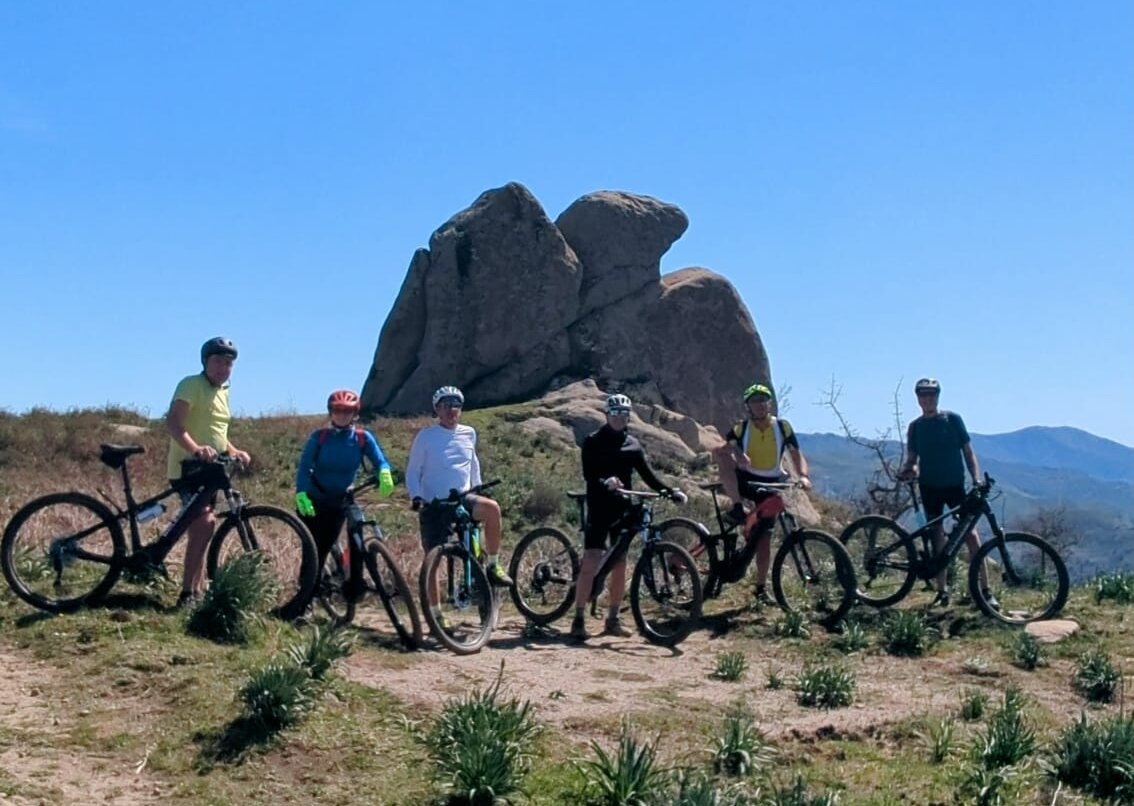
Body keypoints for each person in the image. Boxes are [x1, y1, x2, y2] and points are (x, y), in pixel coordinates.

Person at [570, 393, 688, 641]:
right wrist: (607, 482)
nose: (619, 419)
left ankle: (612, 619)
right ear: (607, 414)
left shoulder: (633, 445)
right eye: (615, 414)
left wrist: (669, 491)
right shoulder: (593, 441)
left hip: (622, 507)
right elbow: (590, 475)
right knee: (592, 559)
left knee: (620, 562)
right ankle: (578, 618)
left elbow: (648, 475)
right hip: (600, 506)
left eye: (624, 415)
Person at [406, 385, 514, 621]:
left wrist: (479, 486)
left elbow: (472, 464)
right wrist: (416, 497)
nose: (452, 411)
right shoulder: (426, 437)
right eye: (446, 406)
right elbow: (413, 472)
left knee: (492, 509)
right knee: (432, 561)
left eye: (456, 406)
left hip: (463, 498)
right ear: (437, 409)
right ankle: (436, 615)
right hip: (434, 505)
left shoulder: (469, 433)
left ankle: (494, 565)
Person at [165, 337, 251, 608]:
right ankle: (188, 595)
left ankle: (198, 590)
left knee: (202, 529)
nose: (222, 368)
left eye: (228, 363)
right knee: (204, 524)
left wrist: (234, 451)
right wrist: (195, 448)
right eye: (217, 361)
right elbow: (174, 422)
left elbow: (218, 435)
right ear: (205, 362)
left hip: (211, 472)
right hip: (188, 469)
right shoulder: (192, 385)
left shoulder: (223, 393)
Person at [897, 377, 995, 608]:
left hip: (955, 486)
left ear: (938, 397)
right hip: (929, 487)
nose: (928, 399)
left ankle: (985, 589)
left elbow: (968, 452)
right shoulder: (915, 427)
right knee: (936, 536)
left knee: (970, 534)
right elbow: (912, 458)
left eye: (932, 394)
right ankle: (942, 591)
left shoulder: (952, 420)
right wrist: (909, 469)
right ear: (918, 399)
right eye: (923, 395)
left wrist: (976, 478)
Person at [711, 383, 811, 604]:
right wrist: (738, 453)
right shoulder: (742, 427)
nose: (759, 405)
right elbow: (724, 447)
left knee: (763, 538)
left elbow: (796, 453)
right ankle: (738, 507)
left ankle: (760, 587)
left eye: (763, 400)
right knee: (722, 456)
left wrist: (803, 475)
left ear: (769, 403)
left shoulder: (783, 427)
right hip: (747, 481)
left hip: (771, 482)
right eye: (754, 401)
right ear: (748, 406)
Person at [295, 389, 395, 597]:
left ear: (355, 414)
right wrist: (301, 494)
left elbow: (380, 460)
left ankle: (356, 583)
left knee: (357, 534)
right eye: (337, 410)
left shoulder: (362, 438)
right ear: (331, 413)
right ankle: (305, 600)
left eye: (347, 411)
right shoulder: (319, 437)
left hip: (342, 498)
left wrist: (384, 472)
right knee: (317, 548)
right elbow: (304, 468)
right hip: (315, 499)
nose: (342, 415)